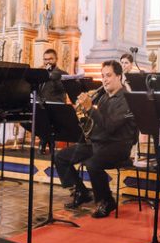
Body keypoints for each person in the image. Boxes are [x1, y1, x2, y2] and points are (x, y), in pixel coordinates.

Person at [55, 60, 137, 218]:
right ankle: (81, 191)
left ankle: (107, 201)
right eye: (103, 76)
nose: (105, 80)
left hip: (118, 145)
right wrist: (83, 114)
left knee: (92, 163)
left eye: (109, 76)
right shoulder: (104, 97)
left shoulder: (127, 99)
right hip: (99, 142)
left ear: (119, 76)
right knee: (61, 157)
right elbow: (96, 123)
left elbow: (110, 126)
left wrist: (90, 108)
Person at [37, 48, 68, 154]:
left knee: (49, 117)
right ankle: (47, 143)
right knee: (40, 115)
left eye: (50, 59)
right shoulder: (40, 73)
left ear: (56, 59)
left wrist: (51, 76)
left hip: (56, 106)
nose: (48, 61)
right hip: (41, 106)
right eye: (45, 59)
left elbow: (63, 89)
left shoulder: (62, 73)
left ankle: (45, 143)